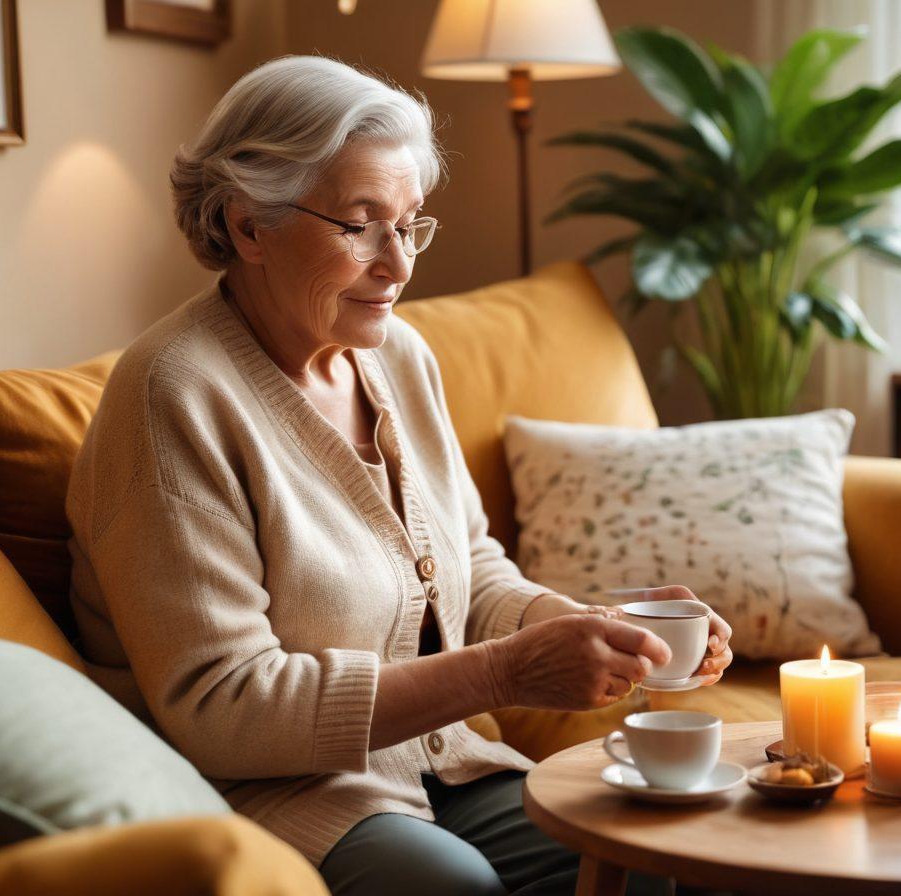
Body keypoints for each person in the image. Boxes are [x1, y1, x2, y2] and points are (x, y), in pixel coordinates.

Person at [65, 54, 733, 895]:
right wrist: (505, 672)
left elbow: (472, 571)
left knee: (658, 854)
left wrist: (601, 631)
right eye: (361, 225)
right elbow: (223, 707)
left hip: (440, 766)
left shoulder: (398, 357)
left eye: (410, 224)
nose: (400, 264)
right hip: (265, 796)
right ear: (248, 227)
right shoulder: (173, 394)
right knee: (453, 886)